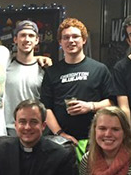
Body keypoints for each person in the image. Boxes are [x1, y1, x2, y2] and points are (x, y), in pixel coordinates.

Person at [40, 18, 114, 157]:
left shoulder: (99, 69)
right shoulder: (52, 72)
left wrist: (90, 106)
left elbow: (112, 102)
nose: (71, 40)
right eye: (66, 37)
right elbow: (46, 107)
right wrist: (61, 134)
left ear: (84, 39)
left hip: (95, 139)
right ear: (60, 42)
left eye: (75, 36)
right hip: (61, 140)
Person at [4, 20, 46, 135]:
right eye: (22, 35)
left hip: (34, 128)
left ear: (37, 40)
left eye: (31, 36)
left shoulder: (44, 68)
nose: (27, 39)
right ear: (15, 39)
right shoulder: (5, 64)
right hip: (9, 128)